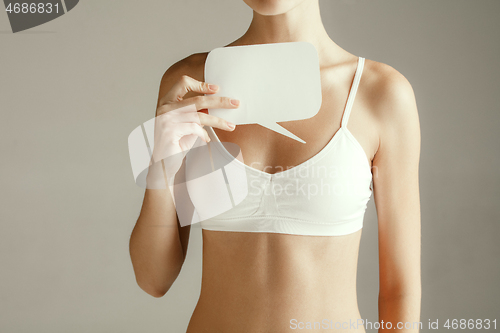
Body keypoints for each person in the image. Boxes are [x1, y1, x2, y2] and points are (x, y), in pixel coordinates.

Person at [129, 0, 421, 332]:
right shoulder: (190, 86)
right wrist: (161, 164)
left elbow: (401, 291)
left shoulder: (379, 93)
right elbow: (153, 279)